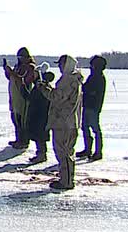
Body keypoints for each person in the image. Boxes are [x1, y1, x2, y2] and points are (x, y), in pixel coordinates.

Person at [47, 55, 84, 190]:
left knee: (63, 151)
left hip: (63, 121)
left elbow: (57, 97)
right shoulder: (76, 80)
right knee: (68, 151)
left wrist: (44, 88)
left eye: (61, 64)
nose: (59, 67)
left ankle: (66, 181)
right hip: (71, 121)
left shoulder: (67, 80)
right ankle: (66, 178)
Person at [2, 47, 37, 150]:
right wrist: (7, 70)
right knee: (15, 119)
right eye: (19, 57)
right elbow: (11, 77)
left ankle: (24, 141)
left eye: (23, 57)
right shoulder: (19, 66)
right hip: (14, 96)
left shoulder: (30, 67)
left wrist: (11, 72)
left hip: (23, 97)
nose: (21, 59)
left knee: (22, 120)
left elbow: (25, 80)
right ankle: (18, 139)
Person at [77, 55, 107, 161]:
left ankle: (98, 152)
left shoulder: (98, 77)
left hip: (93, 107)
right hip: (89, 105)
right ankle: (88, 149)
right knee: (85, 127)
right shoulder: (94, 76)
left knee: (95, 129)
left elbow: (89, 89)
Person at [26, 65, 54, 164]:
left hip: (40, 115)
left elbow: (34, 99)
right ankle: (40, 153)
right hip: (39, 114)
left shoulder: (42, 86)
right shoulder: (40, 86)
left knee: (40, 135)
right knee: (39, 135)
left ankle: (41, 154)